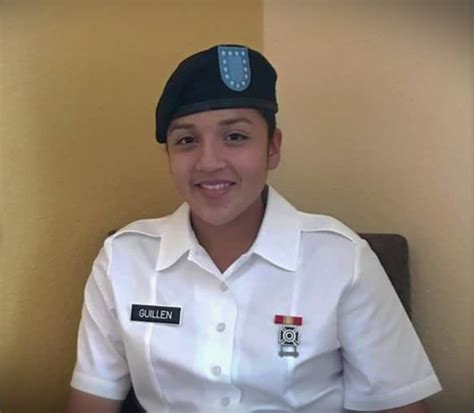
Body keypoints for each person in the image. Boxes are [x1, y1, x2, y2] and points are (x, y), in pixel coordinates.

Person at [66, 44, 442, 413]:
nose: (209, 162)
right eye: (186, 140)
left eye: (235, 137)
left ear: (272, 148)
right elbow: (92, 398)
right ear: (169, 156)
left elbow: (399, 404)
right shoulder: (123, 259)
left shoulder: (342, 260)